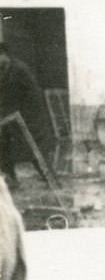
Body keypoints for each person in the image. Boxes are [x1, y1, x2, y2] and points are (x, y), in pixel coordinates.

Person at [0, 43, 55, 189]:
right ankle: (10, 179)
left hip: (30, 117)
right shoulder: (2, 71)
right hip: (10, 117)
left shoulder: (19, 69)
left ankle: (52, 181)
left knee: (34, 149)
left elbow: (33, 94)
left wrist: (24, 114)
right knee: (3, 145)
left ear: (5, 55)